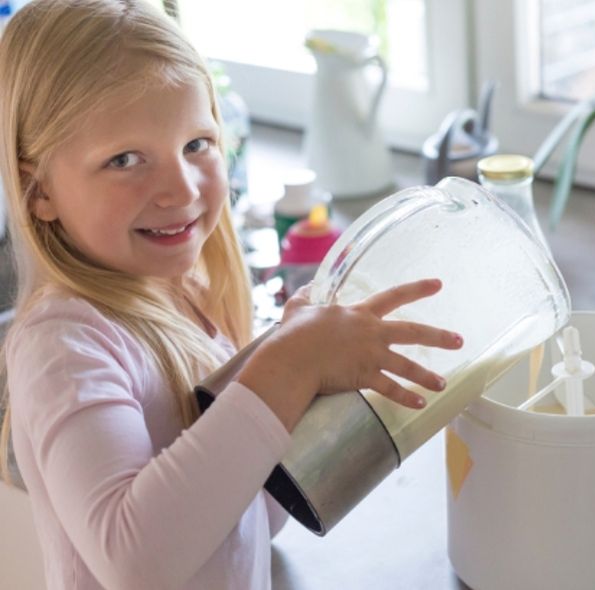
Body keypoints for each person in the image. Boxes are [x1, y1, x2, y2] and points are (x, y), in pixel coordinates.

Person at [0, 1, 463, 589]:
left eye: (197, 144)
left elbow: (243, 519)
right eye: (125, 159)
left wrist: (301, 378)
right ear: (36, 189)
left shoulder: (184, 297)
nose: (180, 187)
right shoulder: (63, 347)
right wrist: (285, 369)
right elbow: (135, 561)